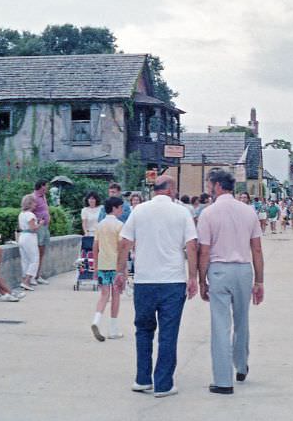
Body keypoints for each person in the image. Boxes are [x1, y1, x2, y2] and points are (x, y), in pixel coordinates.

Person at [121, 176, 198, 398]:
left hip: (145, 279)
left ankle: (142, 378)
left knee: (143, 329)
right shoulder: (181, 212)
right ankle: (163, 383)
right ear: (171, 189)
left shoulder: (139, 211)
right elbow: (191, 246)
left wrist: (120, 271)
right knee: (168, 333)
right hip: (172, 280)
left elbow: (125, 242)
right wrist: (193, 277)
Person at [198, 169, 264, 395]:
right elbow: (256, 248)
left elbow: (204, 251)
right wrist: (259, 281)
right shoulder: (248, 212)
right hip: (244, 268)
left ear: (217, 186)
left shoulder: (208, 213)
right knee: (242, 319)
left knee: (220, 324)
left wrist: (201, 279)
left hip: (219, 269)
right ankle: (241, 363)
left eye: (210, 185)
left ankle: (223, 380)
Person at [91, 196, 126, 342]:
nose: (122, 210)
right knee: (116, 295)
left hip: (103, 265)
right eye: (120, 207)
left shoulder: (100, 225)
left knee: (104, 295)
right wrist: (123, 269)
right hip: (115, 265)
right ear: (115, 208)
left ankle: (96, 320)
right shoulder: (119, 225)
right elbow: (121, 247)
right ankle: (113, 329)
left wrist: (95, 267)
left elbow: (95, 246)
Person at [18, 194, 40, 291]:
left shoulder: (21, 214)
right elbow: (33, 228)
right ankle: (27, 280)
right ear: (30, 203)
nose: (35, 205)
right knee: (34, 259)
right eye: (34, 202)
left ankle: (24, 279)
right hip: (29, 237)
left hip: (22, 236)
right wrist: (40, 224)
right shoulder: (31, 215)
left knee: (25, 259)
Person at [32, 180, 51, 286]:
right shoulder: (33, 197)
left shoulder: (43, 197)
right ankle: (33, 276)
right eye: (45, 187)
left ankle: (38, 275)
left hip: (45, 226)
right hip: (39, 227)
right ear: (41, 187)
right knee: (37, 251)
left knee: (42, 251)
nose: (47, 189)